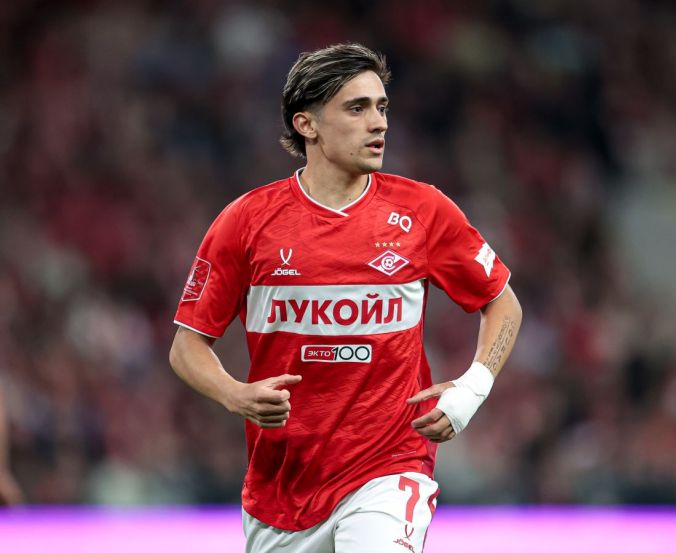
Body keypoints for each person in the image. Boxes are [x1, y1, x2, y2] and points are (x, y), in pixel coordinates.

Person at [169, 43, 522, 553]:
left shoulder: (423, 210)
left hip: (390, 467)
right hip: (282, 488)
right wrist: (234, 394)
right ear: (307, 124)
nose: (378, 123)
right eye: (357, 108)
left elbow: (503, 303)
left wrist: (473, 387)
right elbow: (187, 345)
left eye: (382, 107)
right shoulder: (245, 222)